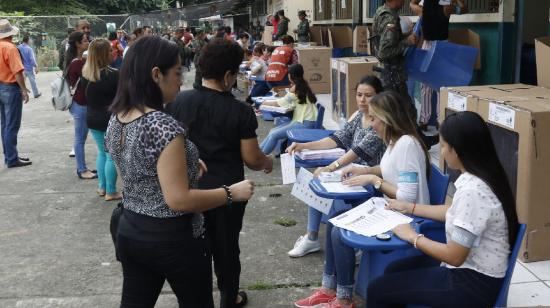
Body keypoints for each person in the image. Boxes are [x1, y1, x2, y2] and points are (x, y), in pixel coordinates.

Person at [105, 36, 254, 307]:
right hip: (172, 240)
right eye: (176, 72)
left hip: (131, 229)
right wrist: (231, 192)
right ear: (156, 74)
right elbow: (179, 200)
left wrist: (184, 162)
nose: (182, 80)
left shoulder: (118, 117)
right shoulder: (164, 126)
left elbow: (135, 174)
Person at [367, 111, 519, 308]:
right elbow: (454, 212)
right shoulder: (485, 176)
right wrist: (410, 207)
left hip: (471, 284)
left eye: (444, 145)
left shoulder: (473, 192)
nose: (443, 152)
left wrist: (413, 237)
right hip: (473, 272)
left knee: (378, 289)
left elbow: (454, 256)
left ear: (457, 151)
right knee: (394, 270)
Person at [294, 91, 430, 308]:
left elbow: (407, 197)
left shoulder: (406, 145)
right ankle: (329, 288)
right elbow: (388, 169)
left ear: (386, 119)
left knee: (339, 231)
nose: (371, 123)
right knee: (335, 220)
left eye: (374, 118)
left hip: (405, 218)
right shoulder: (396, 142)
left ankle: (343, 298)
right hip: (390, 209)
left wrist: (374, 179)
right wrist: (363, 169)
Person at [165, 38, 273, 308]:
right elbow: (251, 158)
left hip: (189, 191)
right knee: (226, 249)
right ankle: (229, 297)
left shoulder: (178, 103)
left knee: (195, 249)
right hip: (228, 194)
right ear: (228, 76)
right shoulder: (240, 111)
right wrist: (267, 161)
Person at [285, 76, 386, 258]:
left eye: (368, 95)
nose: (362, 100)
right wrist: (303, 145)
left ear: (379, 96)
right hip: (351, 172)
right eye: (359, 94)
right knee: (314, 179)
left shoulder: (380, 122)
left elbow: (356, 151)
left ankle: (320, 239)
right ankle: (312, 237)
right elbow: (336, 139)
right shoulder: (359, 116)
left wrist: (331, 168)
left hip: (370, 179)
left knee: (320, 178)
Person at [410, 0, 468, 128]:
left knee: (425, 85)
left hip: (429, 45)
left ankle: (424, 120)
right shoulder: (447, 8)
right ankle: (440, 119)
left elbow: (411, 3)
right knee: (441, 85)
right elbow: (464, 8)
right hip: (443, 46)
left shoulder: (422, 10)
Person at [81, 38, 121, 201]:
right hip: (109, 120)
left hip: (91, 118)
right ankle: (111, 191)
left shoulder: (86, 74)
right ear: (104, 55)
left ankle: (102, 187)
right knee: (110, 155)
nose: (114, 52)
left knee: (101, 153)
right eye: (110, 50)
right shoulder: (114, 75)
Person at [260, 63, 318, 155]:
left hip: (303, 123)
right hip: (305, 121)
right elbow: (295, 101)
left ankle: (260, 157)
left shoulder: (295, 88)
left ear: (291, 75)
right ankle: (258, 153)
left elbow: (280, 102)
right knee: (272, 131)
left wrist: (265, 102)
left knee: (274, 135)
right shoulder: (304, 85)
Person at [371, 0, 418, 101]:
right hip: (392, 77)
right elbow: (384, 52)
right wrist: (407, 42)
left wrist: (405, 36)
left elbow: (388, 39)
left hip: (386, 73)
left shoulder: (381, 11)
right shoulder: (390, 19)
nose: (404, 1)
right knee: (402, 110)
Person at [0, 19, 31, 168]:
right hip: (10, 88)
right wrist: (24, 89)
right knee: (12, 125)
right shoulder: (10, 48)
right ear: (10, 34)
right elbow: (17, 72)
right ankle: (12, 158)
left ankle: (9, 156)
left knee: (5, 124)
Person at [65, 31, 94, 179]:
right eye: (84, 40)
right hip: (80, 103)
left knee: (80, 137)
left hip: (78, 102)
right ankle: (82, 170)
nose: (87, 42)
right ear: (77, 44)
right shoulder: (78, 62)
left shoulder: (75, 60)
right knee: (80, 138)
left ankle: (83, 168)